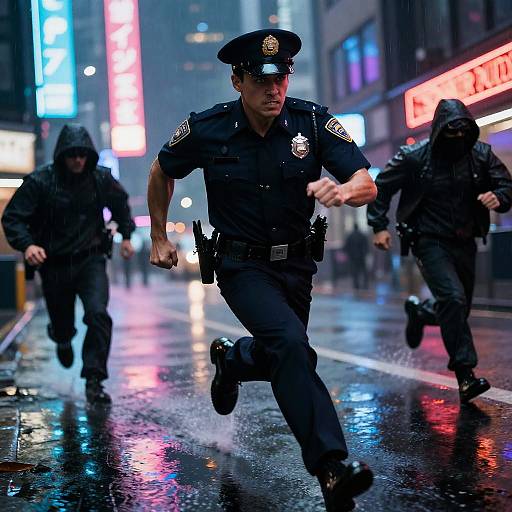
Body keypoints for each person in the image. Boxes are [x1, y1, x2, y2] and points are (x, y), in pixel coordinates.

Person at [147, 29, 377, 511]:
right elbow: (161, 170)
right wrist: (159, 235)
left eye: (281, 79)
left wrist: (344, 191)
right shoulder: (207, 128)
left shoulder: (311, 123)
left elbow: (364, 180)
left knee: (285, 354)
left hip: (296, 264)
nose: (274, 90)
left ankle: (233, 360)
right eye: (260, 81)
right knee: (292, 346)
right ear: (237, 81)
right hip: (241, 266)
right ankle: (331, 468)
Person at [367, 98, 512, 404]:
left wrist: (499, 196)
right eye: (450, 133)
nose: (457, 139)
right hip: (428, 241)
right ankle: (466, 376)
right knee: (454, 299)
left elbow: (506, 186)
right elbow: (381, 186)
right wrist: (379, 225)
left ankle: (421, 313)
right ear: (437, 132)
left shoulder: (481, 154)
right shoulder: (414, 156)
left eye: (463, 133)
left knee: (458, 308)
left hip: (465, 240)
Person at [2, 124, 135, 404]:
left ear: (89, 155)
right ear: (62, 155)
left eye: (82, 155)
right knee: (63, 326)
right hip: (54, 265)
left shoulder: (100, 178)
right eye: (72, 154)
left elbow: (121, 203)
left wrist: (126, 235)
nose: (77, 160)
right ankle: (62, 338)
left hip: (91, 261)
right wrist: (28, 245)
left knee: (98, 315)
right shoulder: (40, 181)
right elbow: (13, 217)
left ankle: (94, 380)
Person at [343, 223, 369, 290]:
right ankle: (365, 284)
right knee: (363, 270)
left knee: (355, 271)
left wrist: (349, 254)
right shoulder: (362, 235)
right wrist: (365, 253)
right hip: (361, 256)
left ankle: (356, 285)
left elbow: (346, 247)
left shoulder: (350, 236)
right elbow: (366, 246)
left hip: (353, 257)